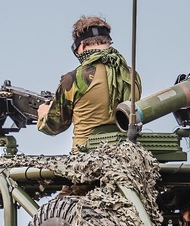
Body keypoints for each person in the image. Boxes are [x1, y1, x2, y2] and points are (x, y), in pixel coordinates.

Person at [36, 16, 141, 151]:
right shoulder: (132, 75)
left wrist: (43, 114)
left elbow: (54, 126)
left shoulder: (74, 78)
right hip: (126, 156)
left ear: (82, 45)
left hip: (87, 161)